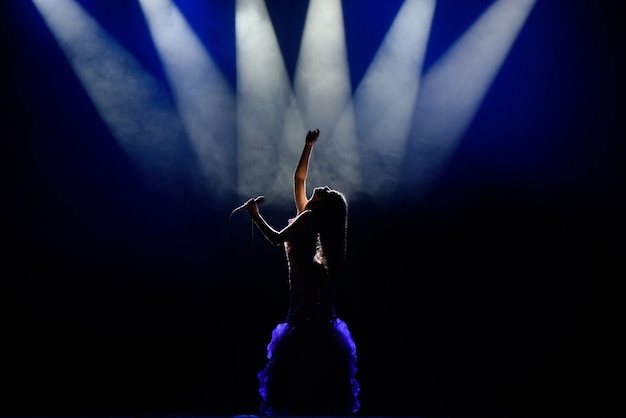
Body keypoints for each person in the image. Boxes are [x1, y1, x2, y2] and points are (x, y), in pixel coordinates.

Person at [243, 129, 360, 416]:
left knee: (300, 382)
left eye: (329, 193)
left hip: (305, 308)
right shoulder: (308, 213)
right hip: (308, 304)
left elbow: (274, 238)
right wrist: (307, 146)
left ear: (325, 206)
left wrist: (255, 216)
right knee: (312, 383)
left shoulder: (308, 217)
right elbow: (299, 180)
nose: (327, 187)